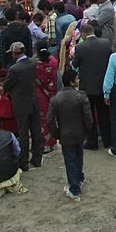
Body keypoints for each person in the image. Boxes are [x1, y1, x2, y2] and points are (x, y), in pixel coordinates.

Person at [48, 66, 92, 201]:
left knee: (70, 160)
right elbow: (88, 117)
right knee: (78, 157)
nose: (78, 80)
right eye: (77, 79)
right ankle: (79, 180)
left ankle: (75, 188)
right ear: (72, 82)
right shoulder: (81, 97)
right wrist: (87, 131)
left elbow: (50, 120)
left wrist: (56, 134)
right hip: (80, 133)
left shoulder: (55, 99)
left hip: (65, 134)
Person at [73, 22, 113, 151]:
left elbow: (75, 64)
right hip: (102, 83)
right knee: (104, 113)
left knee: (89, 115)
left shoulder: (80, 47)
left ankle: (92, 141)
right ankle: (108, 140)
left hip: (87, 85)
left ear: (83, 33)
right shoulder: (105, 43)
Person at [3, 41, 44, 169]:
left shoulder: (14, 69)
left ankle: (23, 161)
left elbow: (6, 85)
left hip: (20, 103)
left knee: (23, 132)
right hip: (33, 100)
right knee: (36, 130)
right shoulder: (32, 63)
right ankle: (37, 158)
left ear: (15, 53)